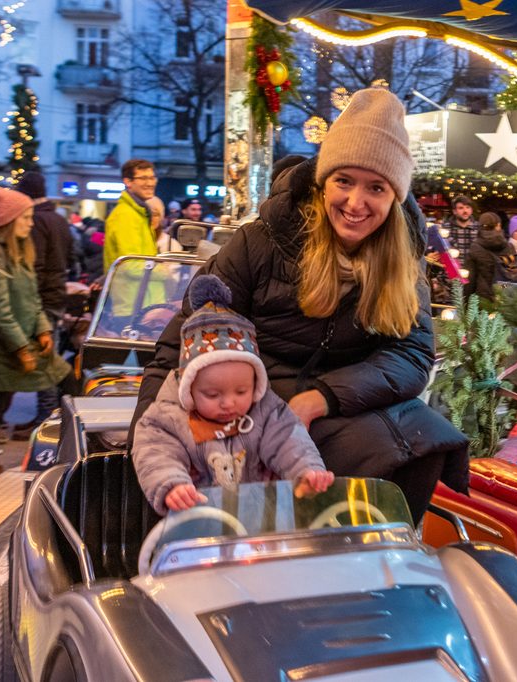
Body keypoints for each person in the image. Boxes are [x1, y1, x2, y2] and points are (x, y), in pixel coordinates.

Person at [135, 88, 469, 524]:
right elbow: (185, 336)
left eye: (376, 187)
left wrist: (322, 398)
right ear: (322, 180)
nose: (355, 202)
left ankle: (370, 551)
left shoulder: (403, 259)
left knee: (420, 439)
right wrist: (145, 436)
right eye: (343, 181)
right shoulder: (263, 240)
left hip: (335, 404)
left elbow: (411, 352)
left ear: (394, 195)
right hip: (250, 399)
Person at [133, 275, 333, 514]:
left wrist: (307, 472)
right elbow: (155, 452)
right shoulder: (167, 418)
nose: (228, 403)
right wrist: (173, 485)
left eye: (241, 391)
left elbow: (289, 441)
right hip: (198, 523)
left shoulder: (267, 410)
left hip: (259, 521)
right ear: (189, 387)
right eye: (212, 394)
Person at [0, 187, 74, 480]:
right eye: (26, 217)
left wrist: (42, 328)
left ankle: (70, 451)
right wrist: (21, 348)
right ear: (10, 218)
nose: (31, 223)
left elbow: (31, 298)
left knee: (68, 380)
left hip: (27, 339)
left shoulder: (21, 249)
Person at [15, 171, 76, 430]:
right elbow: (73, 255)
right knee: (50, 352)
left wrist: (31, 297)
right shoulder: (59, 219)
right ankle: (48, 412)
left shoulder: (37, 221)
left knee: (45, 357)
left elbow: (35, 263)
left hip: (44, 296)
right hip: (58, 292)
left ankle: (46, 417)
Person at [103, 159, 157, 273]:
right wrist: (166, 271)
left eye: (152, 178)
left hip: (141, 289)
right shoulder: (125, 215)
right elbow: (131, 265)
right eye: (143, 178)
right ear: (128, 182)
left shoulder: (139, 213)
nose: (150, 183)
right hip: (134, 290)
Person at [463, 212, 516, 303]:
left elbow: (470, 281)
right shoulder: (509, 247)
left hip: (482, 300)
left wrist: (466, 304)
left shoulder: (475, 248)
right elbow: (513, 275)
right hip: (504, 298)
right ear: (498, 226)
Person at [442, 194, 478, 262]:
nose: (465, 211)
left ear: (471, 210)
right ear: (454, 211)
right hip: (451, 270)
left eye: (467, 207)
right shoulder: (445, 228)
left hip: (473, 270)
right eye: (461, 208)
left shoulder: (478, 228)